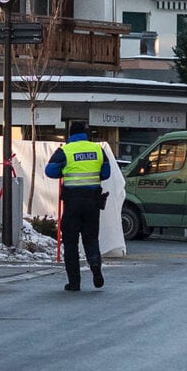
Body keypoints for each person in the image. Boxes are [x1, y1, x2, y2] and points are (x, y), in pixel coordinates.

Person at [46, 121, 111, 291]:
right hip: (92, 201)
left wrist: (65, 170)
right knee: (90, 238)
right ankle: (95, 264)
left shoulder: (65, 150)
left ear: (70, 134)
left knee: (70, 241)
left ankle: (74, 282)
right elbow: (106, 173)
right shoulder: (98, 149)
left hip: (72, 201)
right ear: (86, 134)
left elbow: (50, 171)